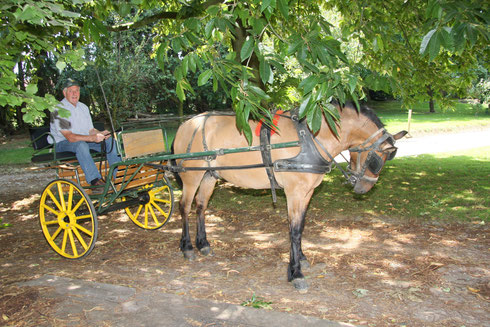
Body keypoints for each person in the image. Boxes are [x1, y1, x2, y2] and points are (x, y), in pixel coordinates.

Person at [49, 78, 121, 186]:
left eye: (77, 90)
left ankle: (119, 176)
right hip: (62, 143)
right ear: (64, 93)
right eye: (71, 91)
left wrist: (101, 134)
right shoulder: (58, 109)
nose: (74, 93)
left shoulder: (83, 107)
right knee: (81, 145)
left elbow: (91, 130)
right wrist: (92, 138)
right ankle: (95, 181)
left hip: (83, 141)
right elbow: (70, 137)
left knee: (110, 141)